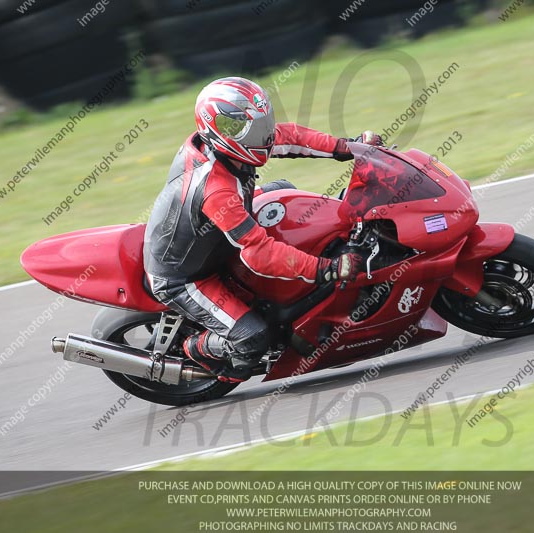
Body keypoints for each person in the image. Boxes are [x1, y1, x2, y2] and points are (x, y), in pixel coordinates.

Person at [143, 77, 383, 383]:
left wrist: (349, 147)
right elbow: (259, 252)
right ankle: (198, 349)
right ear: (216, 129)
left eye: (260, 123)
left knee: (285, 193)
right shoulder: (215, 189)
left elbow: (290, 136)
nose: (261, 136)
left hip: (219, 235)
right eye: (243, 128)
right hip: (185, 276)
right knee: (252, 338)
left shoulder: (227, 147)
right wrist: (325, 269)